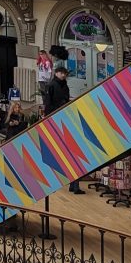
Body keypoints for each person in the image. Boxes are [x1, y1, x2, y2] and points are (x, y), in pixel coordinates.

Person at [42, 66, 83, 194]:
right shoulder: (52, 85)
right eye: (62, 73)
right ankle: (72, 183)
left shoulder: (64, 85)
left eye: (65, 73)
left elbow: (64, 100)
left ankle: (73, 184)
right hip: (56, 118)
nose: (64, 75)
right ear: (57, 73)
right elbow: (48, 104)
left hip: (64, 117)